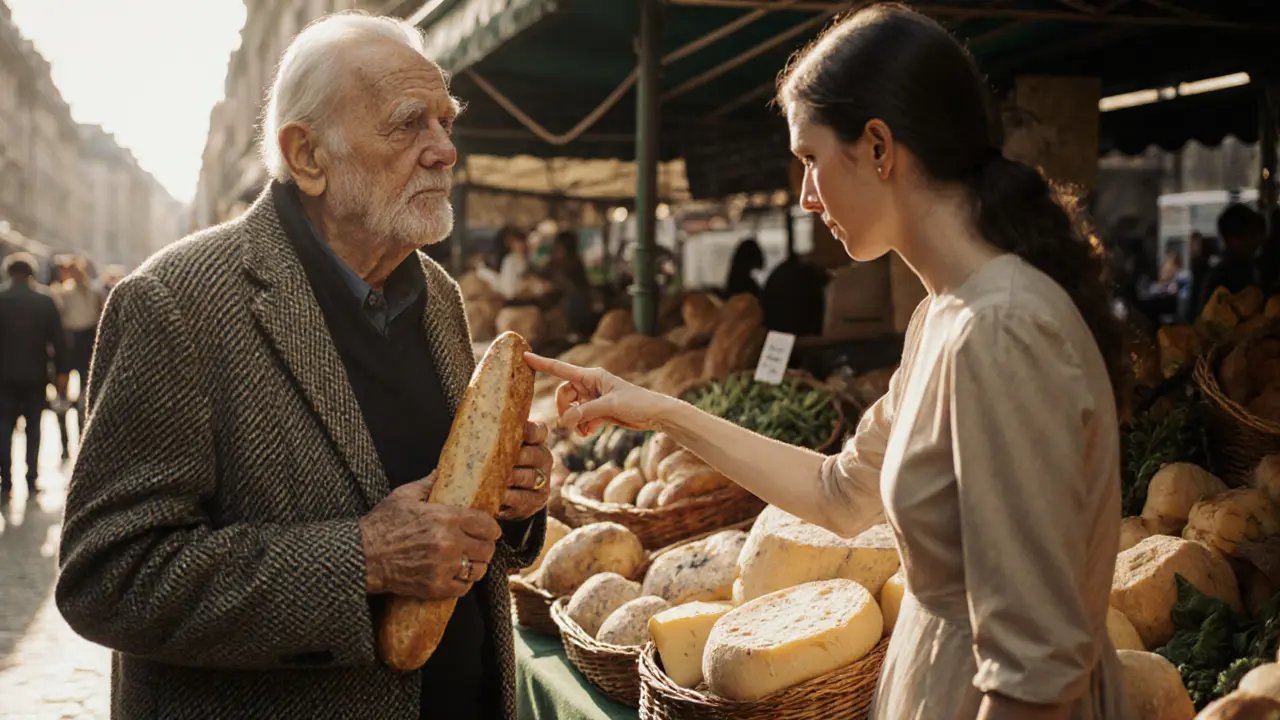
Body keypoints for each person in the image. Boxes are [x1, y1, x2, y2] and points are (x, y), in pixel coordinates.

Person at [529, 5, 1127, 719]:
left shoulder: (999, 329)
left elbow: (1037, 668)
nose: (805, 196)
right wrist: (659, 411)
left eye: (810, 159)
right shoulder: (946, 315)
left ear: (879, 146)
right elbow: (839, 495)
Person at [55, 13, 551, 720]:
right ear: (309, 155)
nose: (445, 150)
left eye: (447, 121)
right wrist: (367, 558)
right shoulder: (176, 303)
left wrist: (513, 503)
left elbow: (449, 527)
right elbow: (108, 578)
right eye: (410, 124)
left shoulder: (437, 295)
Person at [0, 253, 68, 498]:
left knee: (3, 426)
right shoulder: (45, 301)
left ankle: (6, 481)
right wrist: (62, 372)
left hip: (3, 376)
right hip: (36, 374)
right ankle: (31, 479)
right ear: (32, 274)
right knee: (34, 428)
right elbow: (59, 341)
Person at [51, 255, 105, 453]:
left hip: (85, 342)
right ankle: (66, 443)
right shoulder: (62, 293)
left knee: (86, 393)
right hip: (69, 342)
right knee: (63, 396)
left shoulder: (93, 292)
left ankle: (82, 438)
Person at [1197, 203, 1264, 312]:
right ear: (1234, 239)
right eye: (1252, 234)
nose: (1257, 241)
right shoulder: (1233, 274)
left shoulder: (1219, 272)